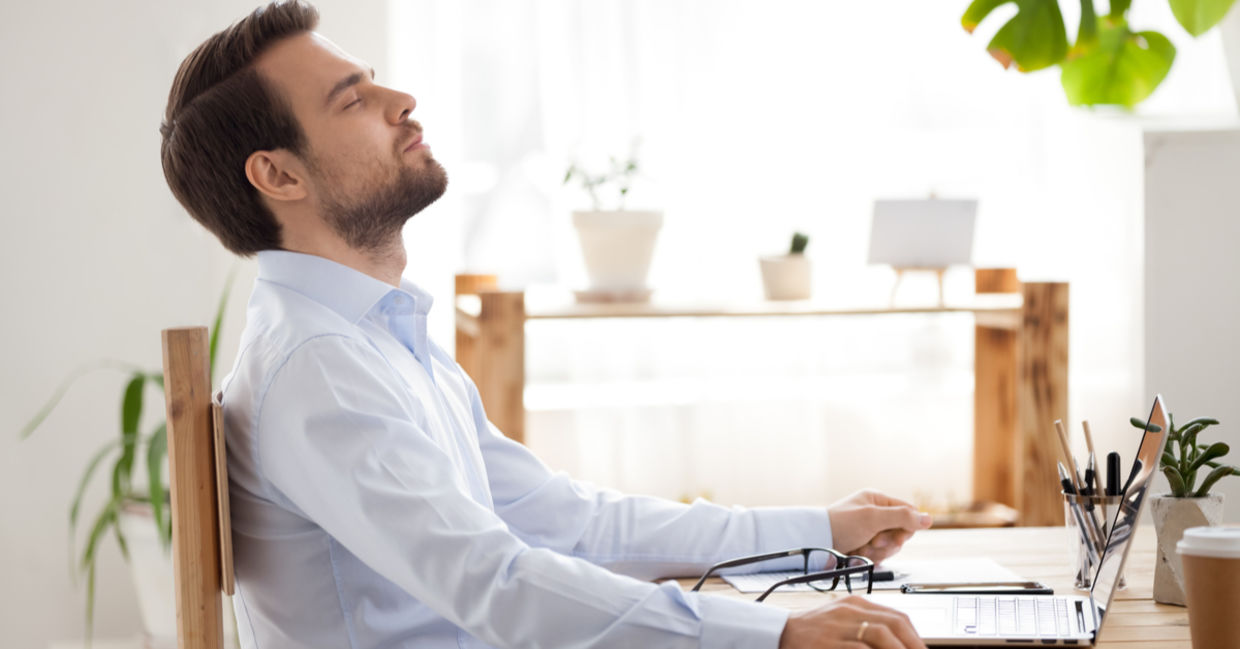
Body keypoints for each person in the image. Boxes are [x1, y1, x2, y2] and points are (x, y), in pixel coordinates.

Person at [159, 2, 932, 647]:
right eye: (352, 100)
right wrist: (778, 633)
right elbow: (498, 583)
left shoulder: (371, 333)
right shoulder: (319, 366)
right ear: (279, 174)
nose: (402, 99)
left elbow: (569, 524)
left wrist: (814, 531)